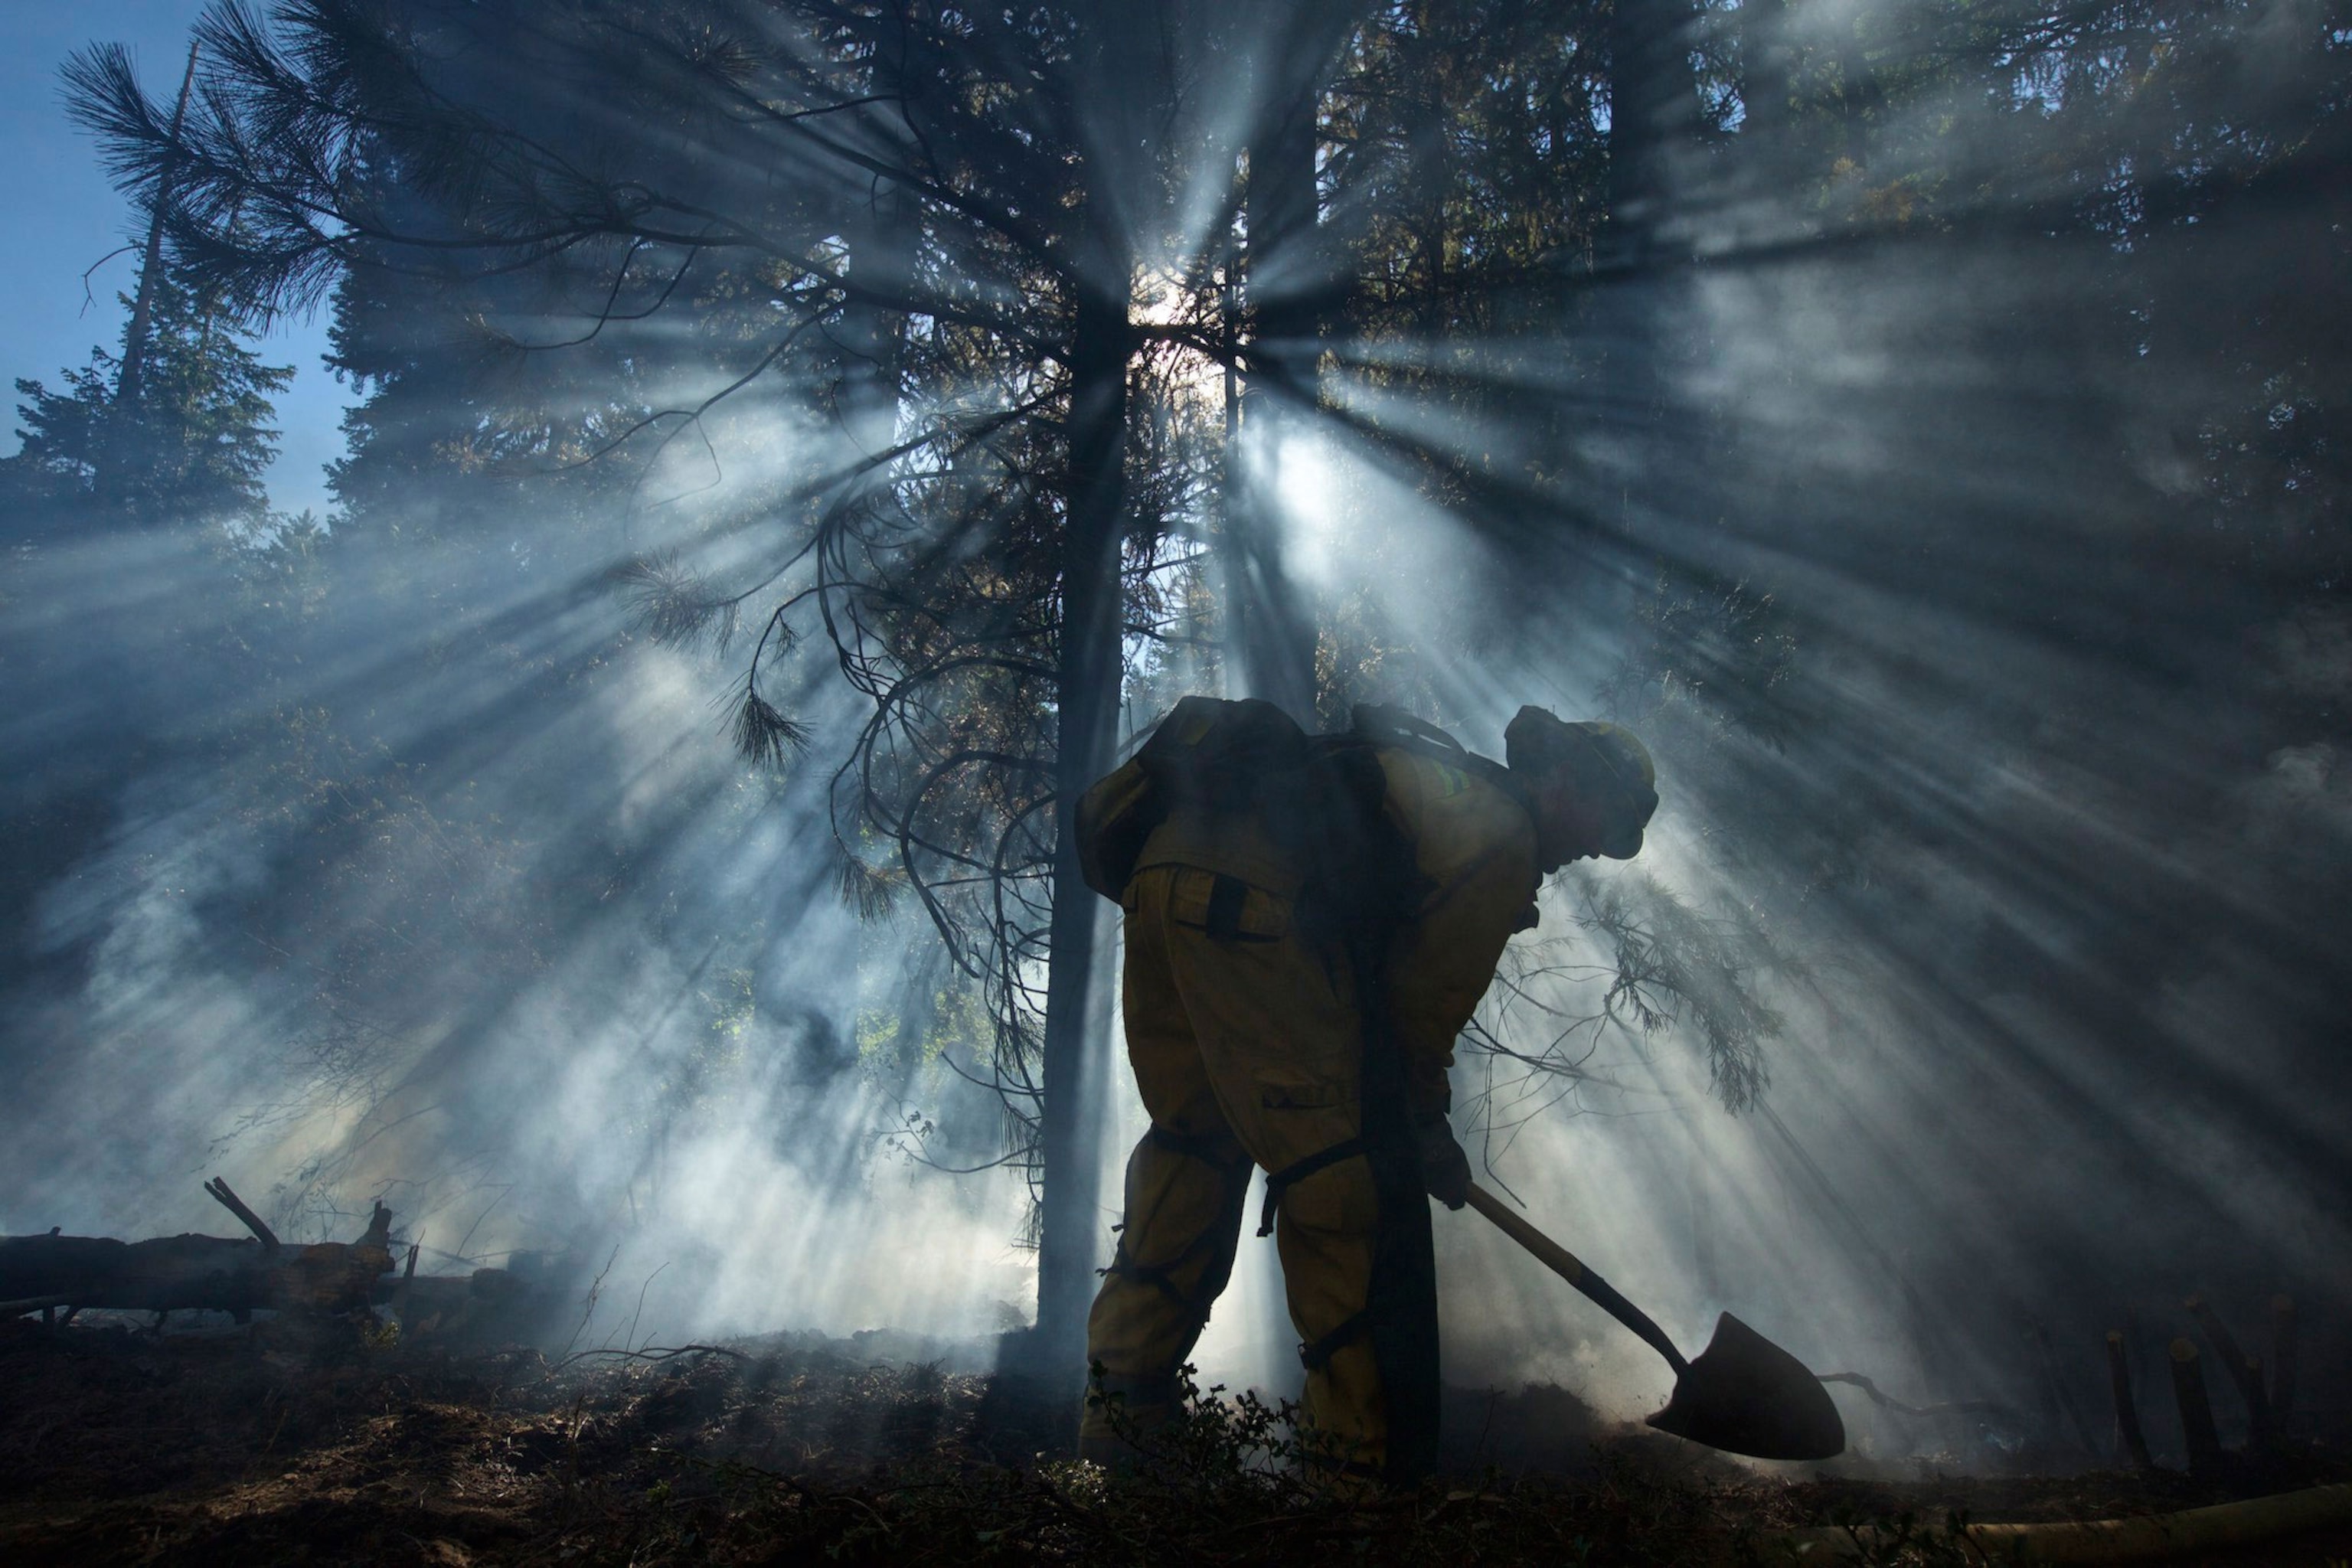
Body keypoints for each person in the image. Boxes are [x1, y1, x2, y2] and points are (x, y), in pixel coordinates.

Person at [1073, 700, 1659, 1485]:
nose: (1593, 845)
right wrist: (1425, 1133)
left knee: (1195, 1145)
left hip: (1162, 878)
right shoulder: (1503, 833)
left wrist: (1419, 1126)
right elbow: (1419, 1014)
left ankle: (1122, 1421)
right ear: (1561, 777)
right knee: (1342, 1188)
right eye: (1603, 818)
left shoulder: (1441, 785)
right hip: (1254, 906)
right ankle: (1357, 1475)